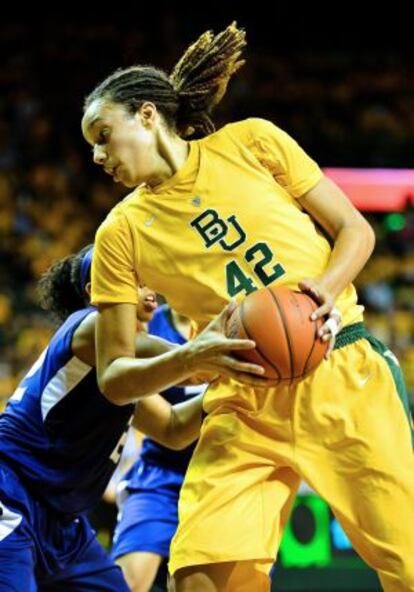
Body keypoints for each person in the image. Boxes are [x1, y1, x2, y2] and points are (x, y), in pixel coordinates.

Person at [81, 22, 414, 592]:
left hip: (341, 370)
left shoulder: (251, 142)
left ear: (145, 115)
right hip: (240, 397)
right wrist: (190, 358)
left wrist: (327, 289)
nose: (96, 155)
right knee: (201, 579)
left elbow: (354, 230)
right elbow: (113, 377)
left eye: (103, 134)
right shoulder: (119, 233)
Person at [0, 244, 261, 591]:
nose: (150, 290)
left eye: (148, 280)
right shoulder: (90, 325)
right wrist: (237, 356)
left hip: (63, 522)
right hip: (11, 495)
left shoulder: (123, 374)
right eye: (136, 283)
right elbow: (188, 367)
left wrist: (234, 395)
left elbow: (172, 427)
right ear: (98, 292)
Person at [112, 304, 207, 592]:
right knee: (127, 582)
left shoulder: (240, 317)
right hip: (160, 473)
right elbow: (161, 422)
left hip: (220, 475)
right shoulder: (148, 326)